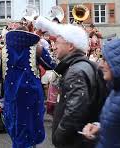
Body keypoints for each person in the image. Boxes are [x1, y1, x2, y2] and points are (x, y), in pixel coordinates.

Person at [34, 17, 107, 148]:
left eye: (58, 42)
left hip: (75, 142)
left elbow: (75, 111)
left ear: (71, 45)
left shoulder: (76, 71)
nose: (54, 46)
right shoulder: (83, 66)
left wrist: (59, 136)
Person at [2, 25, 56, 148]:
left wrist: (0, 97)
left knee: (16, 127)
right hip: (31, 96)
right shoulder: (37, 49)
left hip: (11, 95)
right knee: (31, 127)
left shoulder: (3, 50)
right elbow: (52, 65)